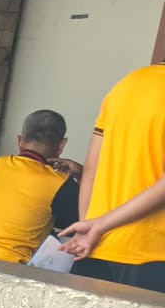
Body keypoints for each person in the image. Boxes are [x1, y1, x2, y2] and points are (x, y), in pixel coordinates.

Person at [58, 60, 165, 292]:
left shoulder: (125, 86)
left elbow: (91, 170)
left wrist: (87, 226)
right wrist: (98, 226)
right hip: (153, 253)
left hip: (94, 247)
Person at [0, 110, 79, 265]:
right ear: (61, 145)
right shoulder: (60, 183)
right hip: (8, 271)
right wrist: (83, 175)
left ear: (20, 140)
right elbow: (83, 223)